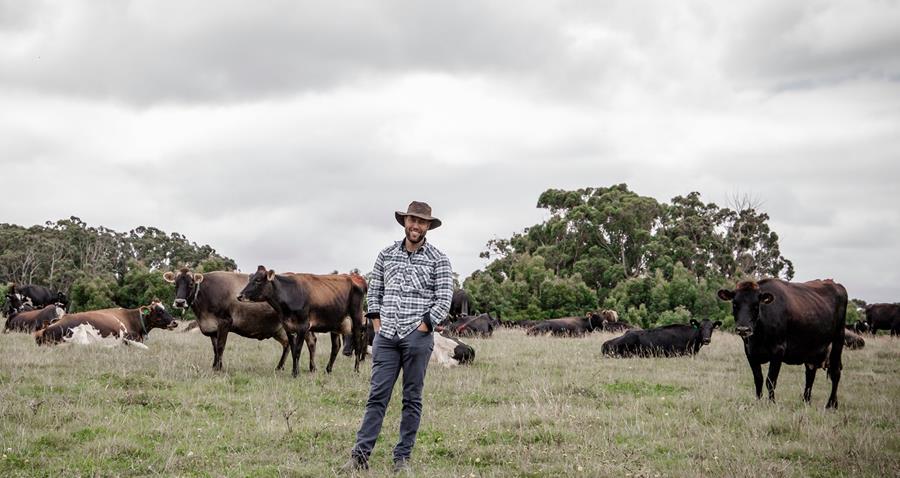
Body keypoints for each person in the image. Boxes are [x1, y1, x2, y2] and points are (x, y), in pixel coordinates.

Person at [343, 201, 453, 473]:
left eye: (422, 222)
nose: (416, 226)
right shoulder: (386, 255)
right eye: (412, 220)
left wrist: (425, 326)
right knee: (377, 395)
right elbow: (375, 291)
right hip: (387, 336)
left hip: (417, 337)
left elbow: (443, 299)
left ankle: (402, 458)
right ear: (405, 222)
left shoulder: (438, 259)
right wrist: (377, 324)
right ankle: (360, 457)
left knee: (412, 398)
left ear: (428, 227)